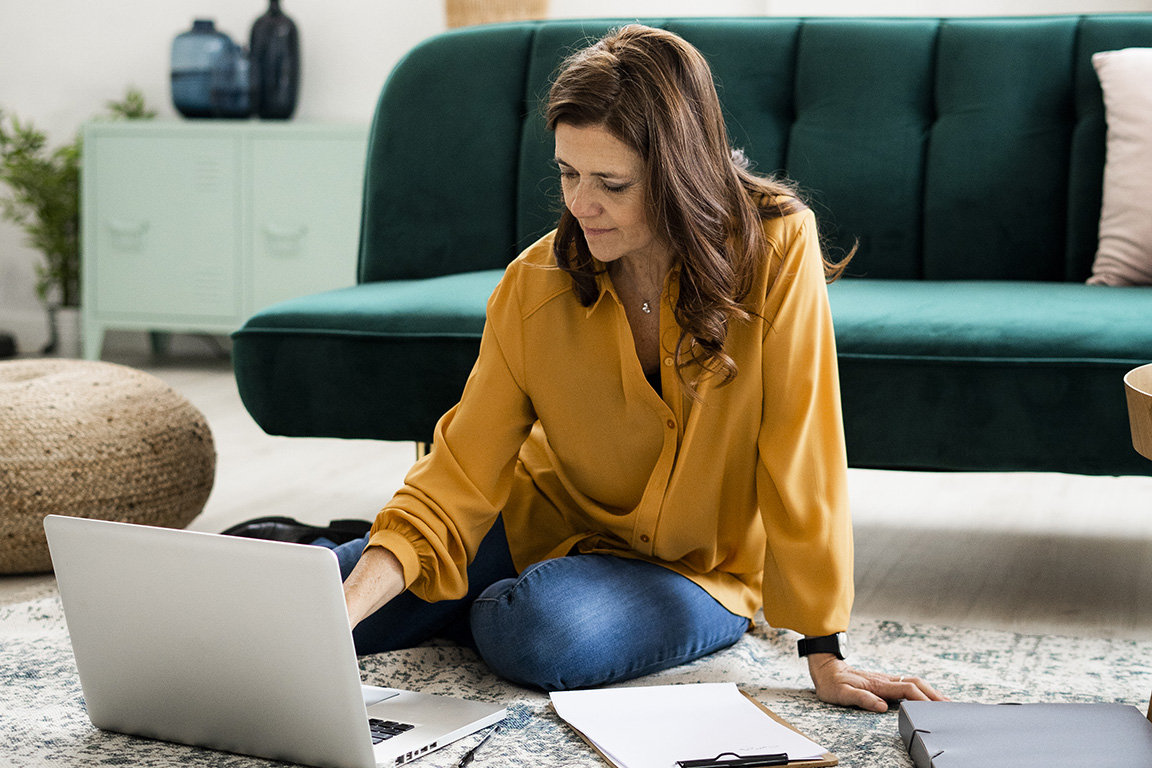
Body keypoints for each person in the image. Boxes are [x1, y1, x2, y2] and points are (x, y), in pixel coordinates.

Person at [332, 24, 943, 711]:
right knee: (310, 599)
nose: (580, 205)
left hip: (695, 574)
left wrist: (822, 648)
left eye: (611, 183)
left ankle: (463, 597)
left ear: (680, 173)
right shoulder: (533, 285)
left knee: (535, 632)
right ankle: (408, 579)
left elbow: (801, 450)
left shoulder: (776, 247)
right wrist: (340, 613)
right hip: (534, 523)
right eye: (567, 173)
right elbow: (459, 475)